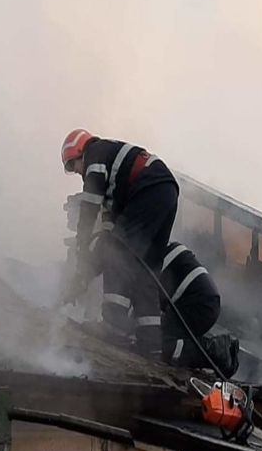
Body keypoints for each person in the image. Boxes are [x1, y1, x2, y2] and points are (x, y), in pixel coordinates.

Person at [60, 129, 179, 358]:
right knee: (147, 271)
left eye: (73, 166)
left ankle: (113, 326)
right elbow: (108, 227)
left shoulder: (95, 154)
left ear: (79, 152)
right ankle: (151, 344)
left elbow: (90, 204)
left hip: (149, 189)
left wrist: (82, 244)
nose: (77, 172)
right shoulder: (112, 170)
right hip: (166, 192)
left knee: (117, 252)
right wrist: (85, 274)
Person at [158, 241, 239, 375]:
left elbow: (143, 300)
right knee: (158, 338)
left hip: (197, 302)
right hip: (199, 299)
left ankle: (218, 352)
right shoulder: (152, 243)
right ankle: (216, 348)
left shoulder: (144, 256)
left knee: (161, 346)